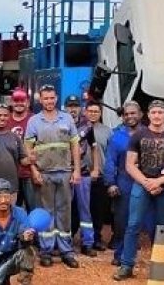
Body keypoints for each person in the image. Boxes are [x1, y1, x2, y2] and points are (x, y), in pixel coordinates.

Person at [113, 99, 164, 281]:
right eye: (154, 112)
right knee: (133, 224)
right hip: (141, 185)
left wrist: (158, 182)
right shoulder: (138, 136)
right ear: (148, 115)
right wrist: (147, 182)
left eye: (160, 112)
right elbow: (129, 164)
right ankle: (126, 265)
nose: (157, 116)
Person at [24, 84, 80, 269]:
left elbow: (74, 146)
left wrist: (77, 170)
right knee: (46, 213)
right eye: (45, 98)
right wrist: (34, 171)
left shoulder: (67, 118)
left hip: (65, 172)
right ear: (40, 100)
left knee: (65, 212)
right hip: (44, 173)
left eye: (52, 98)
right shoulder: (34, 121)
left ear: (56, 98)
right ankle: (46, 251)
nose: (49, 101)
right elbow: (28, 149)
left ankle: (66, 251)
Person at [103, 100, 143, 265]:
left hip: (146, 181)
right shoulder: (116, 137)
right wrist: (110, 183)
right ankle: (120, 255)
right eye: (126, 114)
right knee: (121, 221)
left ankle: (161, 256)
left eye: (133, 113)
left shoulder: (148, 134)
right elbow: (110, 161)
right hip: (123, 181)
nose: (129, 116)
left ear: (140, 114)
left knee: (146, 220)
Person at [69, 96, 101, 257]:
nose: (73, 109)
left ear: (80, 108)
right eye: (70, 106)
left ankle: (87, 243)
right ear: (65, 108)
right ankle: (64, 242)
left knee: (85, 209)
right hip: (64, 172)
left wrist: (96, 168)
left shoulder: (87, 126)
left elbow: (94, 148)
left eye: (75, 106)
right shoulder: (60, 123)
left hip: (83, 173)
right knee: (64, 209)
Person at [84, 101, 112, 254]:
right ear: (85, 112)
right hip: (81, 175)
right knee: (79, 209)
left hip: (100, 175)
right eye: (90, 111)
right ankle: (80, 238)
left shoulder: (107, 131)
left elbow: (110, 154)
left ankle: (96, 238)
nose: (93, 114)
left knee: (98, 210)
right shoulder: (79, 129)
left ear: (100, 113)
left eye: (96, 111)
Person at [7, 89, 35, 211]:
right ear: (11, 102)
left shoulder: (34, 119)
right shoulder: (5, 119)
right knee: (11, 210)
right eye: (16, 100)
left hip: (30, 173)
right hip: (10, 173)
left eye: (22, 100)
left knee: (32, 209)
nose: (19, 103)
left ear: (27, 102)